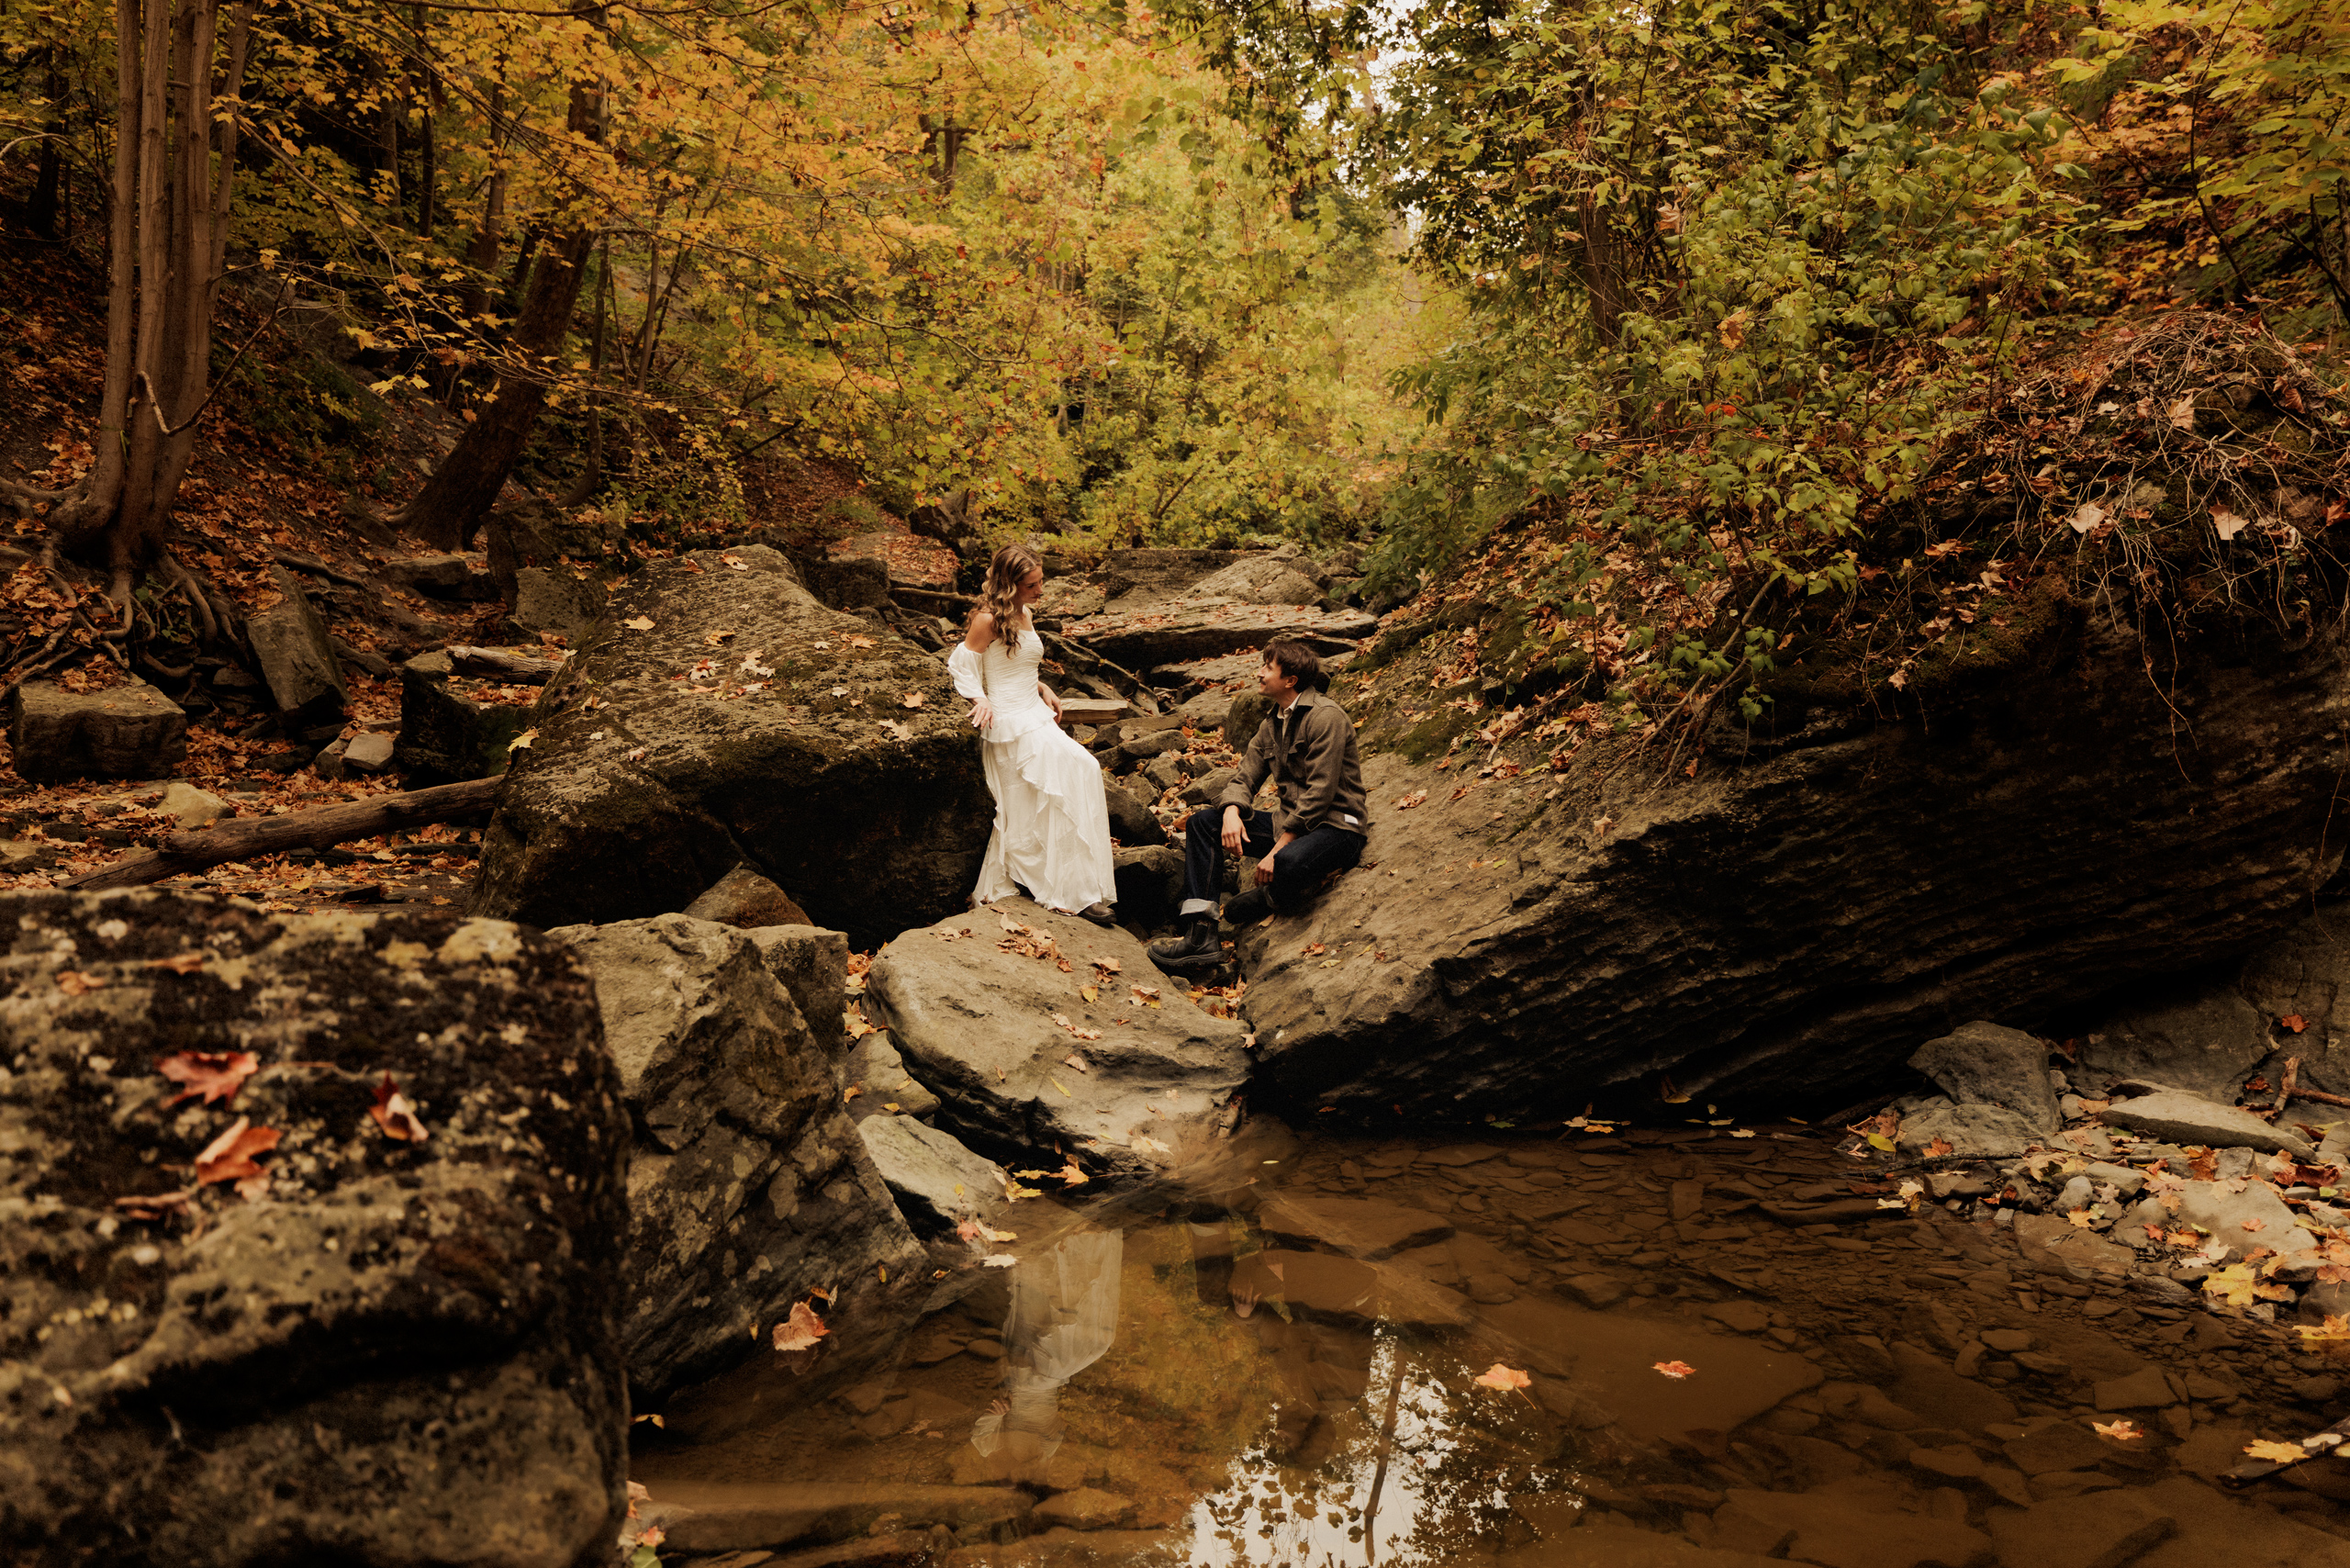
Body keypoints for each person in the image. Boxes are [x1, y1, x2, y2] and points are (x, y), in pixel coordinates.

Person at [1149, 639, 1367, 967]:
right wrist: (1232, 812)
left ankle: (1272, 896)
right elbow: (1244, 777)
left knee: (1288, 862)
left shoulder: (1326, 718)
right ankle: (1201, 934)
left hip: (1337, 827)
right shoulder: (1271, 724)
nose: (1259, 673)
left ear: (1290, 680)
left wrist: (1277, 850)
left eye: (1268, 668)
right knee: (1202, 823)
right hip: (1291, 826)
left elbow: (1321, 793)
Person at [947, 543, 1116, 925]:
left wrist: (1042, 686)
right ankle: (1070, 892)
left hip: (1033, 710)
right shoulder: (986, 620)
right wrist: (979, 697)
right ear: (1009, 584)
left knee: (1084, 769)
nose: (1040, 590)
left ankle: (1078, 882)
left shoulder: (1025, 613)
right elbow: (962, 662)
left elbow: (1020, 660)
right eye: (1031, 585)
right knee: (1037, 798)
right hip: (1008, 722)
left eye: (1041, 582)